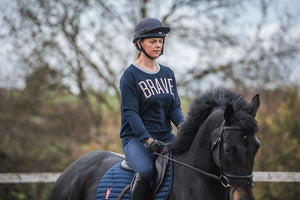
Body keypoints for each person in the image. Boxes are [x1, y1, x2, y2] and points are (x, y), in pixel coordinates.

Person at [119, 18, 185, 200]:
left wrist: (185, 127)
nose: (158, 45)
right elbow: (130, 112)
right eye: (153, 41)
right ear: (139, 43)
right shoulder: (130, 76)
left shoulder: (167, 74)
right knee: (147, 171)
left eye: (160, 41)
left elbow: (174, 107)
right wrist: (146, 138)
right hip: (135, 139)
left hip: (164, 136)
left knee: (188, 162)